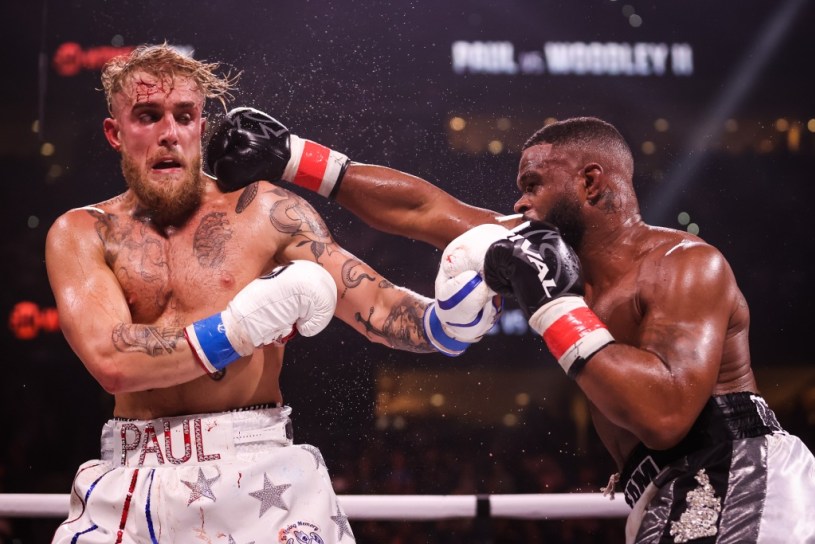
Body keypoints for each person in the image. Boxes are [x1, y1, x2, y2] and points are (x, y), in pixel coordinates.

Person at [212, 109, 815, 542]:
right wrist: (294, 156)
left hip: (734, 467)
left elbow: (664, 417)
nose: (520, 205)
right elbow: (424, 210)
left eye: (533, 186)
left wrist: (552, 305)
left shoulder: (684, 265)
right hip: (657, 490)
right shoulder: (543, 249)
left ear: (590, 183)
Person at [44, 43, 501, 543]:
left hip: (257, 473)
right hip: (132, 479)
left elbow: (379, 306)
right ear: (115, 132)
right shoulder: (82, 233)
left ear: (201, 126)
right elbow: (112, 361)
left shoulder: (264, 212)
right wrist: (240, 328)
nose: (169, 133)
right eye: (148, 116)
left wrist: (445, 325)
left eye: (185, 116)